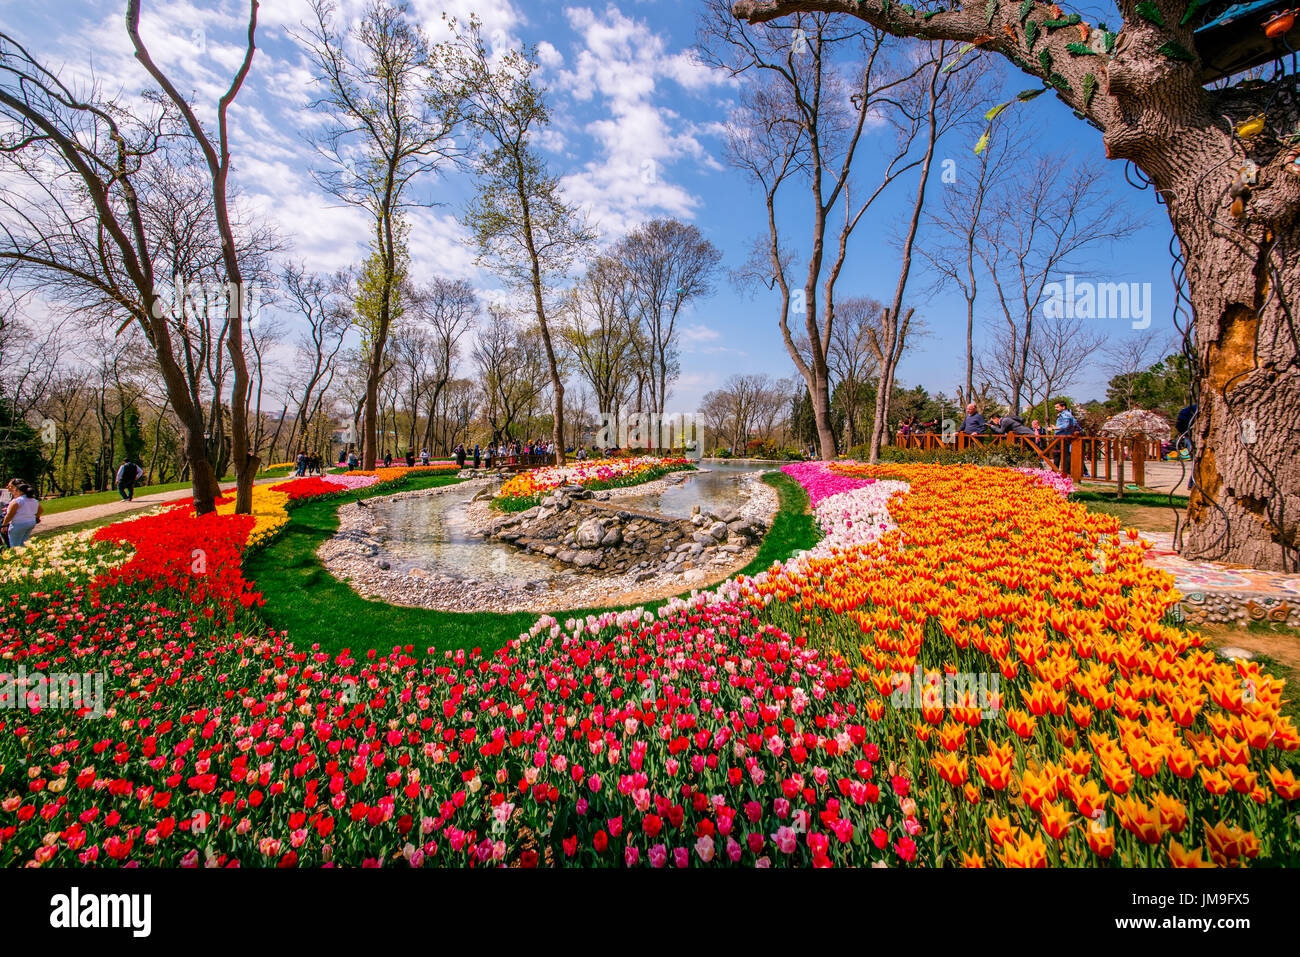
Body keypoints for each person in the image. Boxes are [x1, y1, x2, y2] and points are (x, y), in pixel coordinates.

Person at [2, 482, 43, 548]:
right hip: (30, 523)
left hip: (18, 524)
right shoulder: (33, 500)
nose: (13, 493)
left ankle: (17, 556)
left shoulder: (17, 501)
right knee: (24, 542)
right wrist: (35, 516)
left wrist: (4, 525)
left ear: (20, 491)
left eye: (15, 491)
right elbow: (41, 510)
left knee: (15, 545)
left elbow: (9, 515)